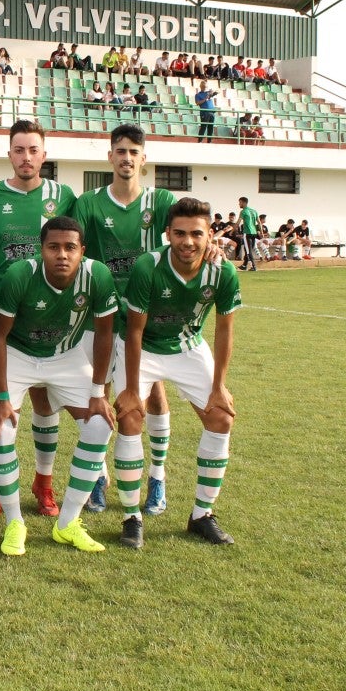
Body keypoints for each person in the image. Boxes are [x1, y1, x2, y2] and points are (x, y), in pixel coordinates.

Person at [0, 216, 118, 556]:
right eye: (53, 247)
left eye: (70, 247)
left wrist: (98, 392)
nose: (62, 254)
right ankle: (15, 522)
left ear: (82, 251)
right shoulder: (20, 275)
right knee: (1, 429)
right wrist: (1, 397)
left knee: (100, 424)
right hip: (18, 354)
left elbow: (105, 334)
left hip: (65, 354)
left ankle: (68, 523)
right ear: (40, 250)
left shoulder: (97, 275)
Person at [115, 197, 242, 548]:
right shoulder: (147, 266)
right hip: (143, 348)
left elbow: (224, 330)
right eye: (181, 233)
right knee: (129, 417)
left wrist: (219, 387)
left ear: (209, 235)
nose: (188, 241)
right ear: (167, 234)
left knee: (221, 417)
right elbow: (136, 331)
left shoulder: (223, 270)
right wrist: (129, 389)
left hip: (188, 346)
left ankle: (202, 514)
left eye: (197, 234)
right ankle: (131, 517)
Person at [72, 123, 184, 516]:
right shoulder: (88, 204)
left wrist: (215, 246)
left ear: (143, 158)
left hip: (146, 316)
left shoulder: (163, 199)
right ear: (110, 157)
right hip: (98, 316)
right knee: (95, 392)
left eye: (133, 151)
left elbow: (190, 234)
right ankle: (98, 476)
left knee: (152, 393)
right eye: (119, 151)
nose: (126, 157)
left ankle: (157, 476)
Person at [0, 120, 78, 521]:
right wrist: (8, 270)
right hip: (2, 310)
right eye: (19, 150)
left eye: (33, 150)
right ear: (9, 155)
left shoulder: (64, 195)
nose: (26, 157)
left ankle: (43, 482)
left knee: (45, 400)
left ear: (44, 155)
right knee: (1, 405)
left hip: (48, 311)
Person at [237, 197, 259, 271]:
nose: (239, 204)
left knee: (248, 250)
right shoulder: (254, 211)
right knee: (247, 249)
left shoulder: (243, 211)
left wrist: (231, 231)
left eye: (240, 202)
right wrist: (261, 232)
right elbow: (259, 222)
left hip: (247, 233)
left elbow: (238, 223)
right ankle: (244, 265)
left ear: (244, 202)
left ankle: (253, 266)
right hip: (254, 233)